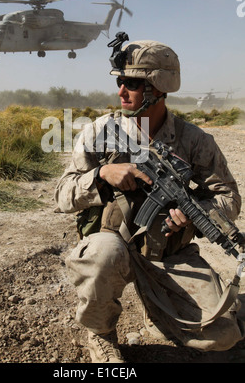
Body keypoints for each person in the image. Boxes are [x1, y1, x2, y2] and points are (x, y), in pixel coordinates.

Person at [54, 37, 244, 363]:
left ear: (158, 88)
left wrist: (199, 215)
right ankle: (99, 334)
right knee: (104, 253)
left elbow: (229, 198)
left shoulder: (195, 141)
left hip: (170, 255)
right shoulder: (100, 132)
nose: (121, 91)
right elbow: (63, 196)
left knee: (223, 338)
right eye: (120, 82)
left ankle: (158, 313)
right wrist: (101, 176)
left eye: (132, 84)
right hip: (116, 251)